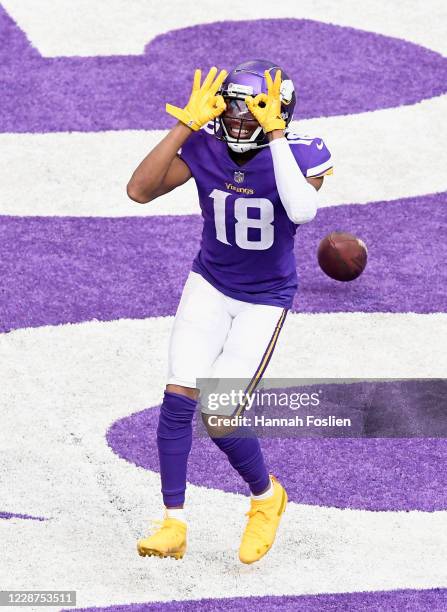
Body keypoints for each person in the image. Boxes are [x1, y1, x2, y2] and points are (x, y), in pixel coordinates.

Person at [127, 59, 333, 564]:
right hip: (211, 284)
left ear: (279, 110)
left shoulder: (302, 152)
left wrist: (276, 135)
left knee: (219, 413)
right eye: (235, 110)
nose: (241, 121)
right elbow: (139, 190)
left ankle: (267, 499)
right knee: (179, 394)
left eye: (254, 110)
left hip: (264, 298)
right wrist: (184, 127)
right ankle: (173, 522)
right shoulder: (206, 143)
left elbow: (303, 210)